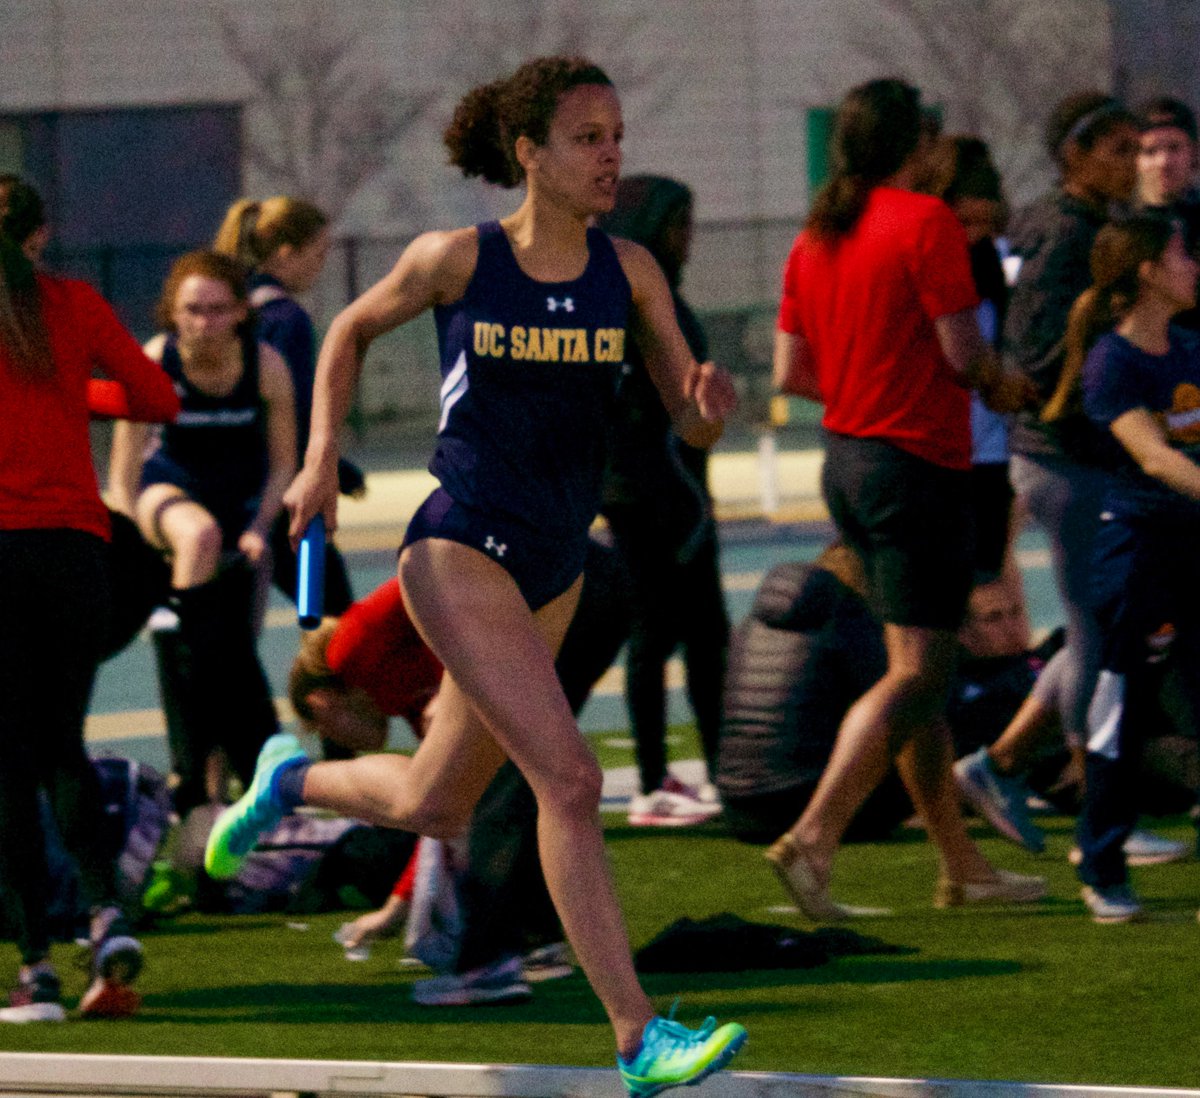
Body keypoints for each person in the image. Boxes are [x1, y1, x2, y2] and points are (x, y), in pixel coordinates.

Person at [203, 56, 745, 1094]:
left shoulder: (629, 270)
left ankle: (290, 781)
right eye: (588, 138)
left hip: (554, 560)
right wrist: (318, 458)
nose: (611, 155)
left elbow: (689, 415)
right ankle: (639, 1037)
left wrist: (708, 405)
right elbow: (351, 330)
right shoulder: (458, 258)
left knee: (435, 802)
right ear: (529, 154)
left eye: (618, 136)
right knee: (572, 781)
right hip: (458, 546)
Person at [769, 77, 1044, 921]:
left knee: (917, 671)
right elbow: (965, 356)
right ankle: (813, 839)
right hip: (916, 467)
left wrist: (868, 386)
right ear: (916, 147)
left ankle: (961, 867)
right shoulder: (924, 221)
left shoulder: (815, 237)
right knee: (922, 672)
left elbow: (791, 373)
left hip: (847, 461)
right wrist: (1009, 388)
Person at [0, 176, 180, 1021]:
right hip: (76, 553)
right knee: (61, 747)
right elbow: (157, 399)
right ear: (38, 238)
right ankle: (106, 914)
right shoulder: (71, 303)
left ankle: (34, 968)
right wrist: (73, 389)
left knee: (7, 762)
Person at [108, 251, 296, 814]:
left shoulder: (264, 364)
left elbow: (285, 464)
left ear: (240, 312)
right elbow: (123, 474)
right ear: (173, 312)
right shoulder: (155, 359)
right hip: (167, 496)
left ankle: (209, 793)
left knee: (234, 652)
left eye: (218, 310)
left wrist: (263, 526)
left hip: (242, 509)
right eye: (192, 310)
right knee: (200, 538)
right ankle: (181, 649)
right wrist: (134, 549)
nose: (205, 323)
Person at [1003, 92, 1139, 792]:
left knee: (1105, 620)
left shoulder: (1074, 221)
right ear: (1075, 156)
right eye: (1120, 150)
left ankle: (998, 762)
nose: (1134, 164)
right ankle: (1096, 797)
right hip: (1066, 455)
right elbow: (1033, 346)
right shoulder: (1067, 231)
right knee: (1096, 629)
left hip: (1061, 452)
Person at [1072, 214, 1200, 921]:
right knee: (1117, 718)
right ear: (1148, 269)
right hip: (1137, 556)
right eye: (1182, 252)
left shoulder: (1190, 349)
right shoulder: (1112, 364)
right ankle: (1102, 863)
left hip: (1192, 549)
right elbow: (1154, 456)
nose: (1193, 264)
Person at [598, 175, 727, 827]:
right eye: (679, 224)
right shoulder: (631, 307)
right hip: (648, 498)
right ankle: (652, 782)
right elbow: (631, 414)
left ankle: (726, 769)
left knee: (708, 638)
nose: (689, 238)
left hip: (681, 495)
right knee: (655, 636)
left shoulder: (662, 299)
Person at [213, 196, 359, 617]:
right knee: (338, 621)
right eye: (318, 254)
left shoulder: (232, 313)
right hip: (278, 496)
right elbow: (288, 409)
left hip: (225, 487)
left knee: (228, 630)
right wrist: (331, 465)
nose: (321, 265)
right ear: (285, 254)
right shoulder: (286, 319)